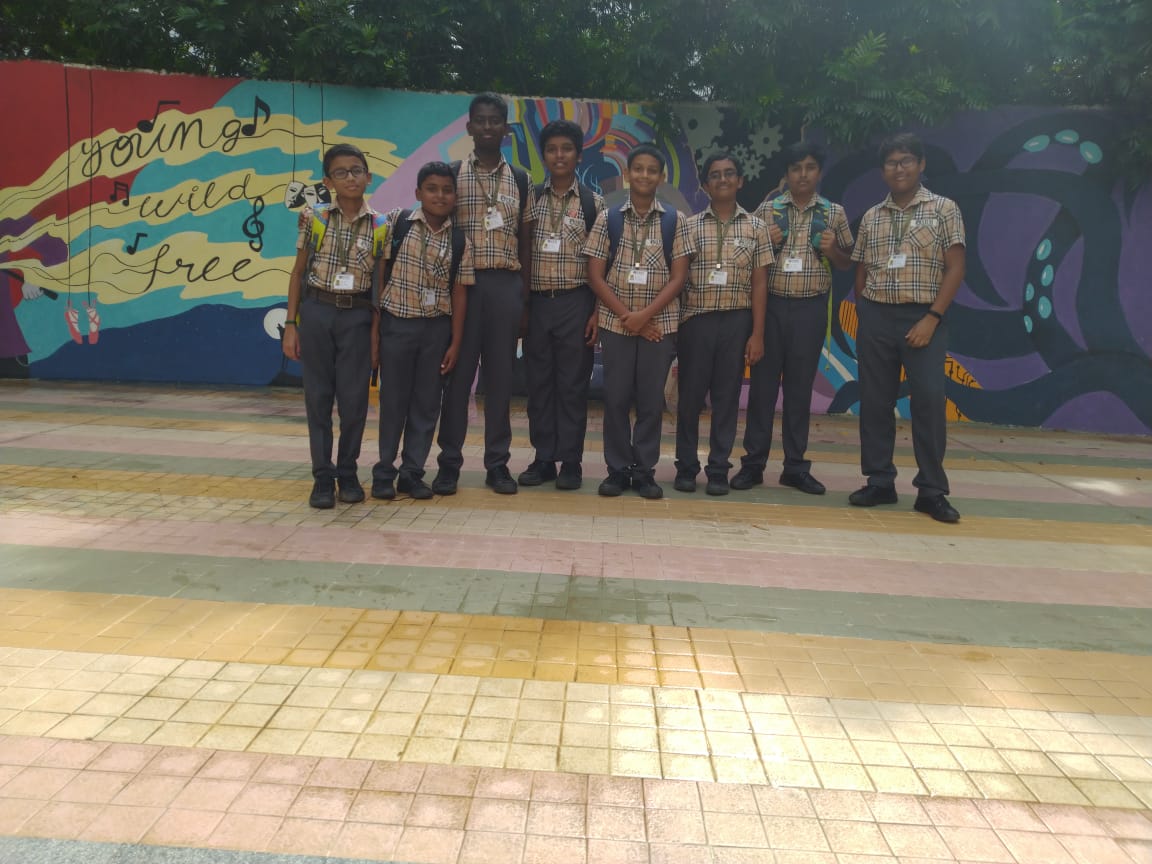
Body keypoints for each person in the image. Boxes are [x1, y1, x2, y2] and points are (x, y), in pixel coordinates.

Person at [850, 132, 966, 523]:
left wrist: (932, 318)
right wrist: (866, 313)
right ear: (882, 170)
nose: (899, 169)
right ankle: (879, 481)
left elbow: (956, 268)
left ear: (921, 165)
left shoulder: (943, 209)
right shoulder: (872, 216)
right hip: (877, 316)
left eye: (906, 161)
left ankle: (931, 491)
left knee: (929, 400)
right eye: (891, 163)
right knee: (875, 402)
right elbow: (861, 270)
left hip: (924, 316)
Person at [732, 141, 854, 495]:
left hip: (810, 309)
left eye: (810, 167)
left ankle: (795, 468)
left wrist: (833, 250)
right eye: (796, 168)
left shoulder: (834, 213)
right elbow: (745, 258)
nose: (803, 175)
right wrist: (765, 244)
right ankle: (753, 465)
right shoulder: (767, 211)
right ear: (786, 174)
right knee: (763, 389)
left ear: (819, 172)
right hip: (769, 308)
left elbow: (847, 262)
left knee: (800, 390)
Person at [433, 93, 535, 496]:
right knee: (457, 380)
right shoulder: (452, 174)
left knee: (500, 380)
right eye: (481, 120)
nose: (488, 127)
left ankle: (498, 465)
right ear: (470, 127)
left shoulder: (522, 180)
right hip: (462, 289)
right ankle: (449, 464)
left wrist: (524, 299)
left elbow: (525, 241)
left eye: (496, 121)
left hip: (505, 287)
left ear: (506, 129)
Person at [583, 144, 694, 499]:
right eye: (638, 169)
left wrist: (644, 318)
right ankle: (617, 470)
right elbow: (595, 276)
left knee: (650, 401)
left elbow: (678, 278)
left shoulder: (675, 220)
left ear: (661, 177)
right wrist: (627, 318)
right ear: (628, 174)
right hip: (616, 324)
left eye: (652, 170)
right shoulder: (608, 218)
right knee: (615, 399)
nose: (645, 175)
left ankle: (644, 471)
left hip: (659, 326)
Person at [283, 143, 386, 509]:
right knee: (318, 398)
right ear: (328, 181)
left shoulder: (380, 225)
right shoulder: (314, 218)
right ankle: (323, 477)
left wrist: (375, 335)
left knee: (354, 401)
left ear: (368, 177)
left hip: (357, 316)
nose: (350, 178)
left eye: (356, 171)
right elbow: (298, 272)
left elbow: (378, 287)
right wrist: (291, 324)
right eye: (340, 173)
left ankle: (348, 472)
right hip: (317, 311)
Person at [371, 162, 474, 501]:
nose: (439, 196)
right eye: (432, 189)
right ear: (418, 193)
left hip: (436, 331)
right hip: (397, 326)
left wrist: (455, 341)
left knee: (427, 404)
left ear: (455, 196)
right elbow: (379, 274)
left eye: (447, 190)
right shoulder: (397, 223)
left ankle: (412, 473)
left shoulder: (460, 240)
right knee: (393, 402)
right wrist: (376, 331)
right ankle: (384, 472)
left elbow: (459, 292)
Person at [674, 152, 772, 496]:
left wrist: (757, 333)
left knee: (727, 398)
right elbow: (678, 279)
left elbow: (760, 284)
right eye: (715, 175)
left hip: (737, 321)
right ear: (705, 185)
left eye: (729, 173)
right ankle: (686, 467)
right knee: (690, 399)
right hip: (696, 321)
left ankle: (718, 469)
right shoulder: (688, 226)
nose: (723, 179)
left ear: (740, 180)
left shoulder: (757, 227)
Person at [518, 119, 606, 491]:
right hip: (538, 304)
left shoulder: (593, 203)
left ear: (578, 155)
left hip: (576, 302)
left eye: (566, 149)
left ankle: (571, 461)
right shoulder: (530, 199)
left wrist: (597, 311)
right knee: (539, 384)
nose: (559, 156)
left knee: (572, 385)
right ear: (544, 155)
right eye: (552, 149)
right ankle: (543, 459)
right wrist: (522, 307)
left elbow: (603, 263)